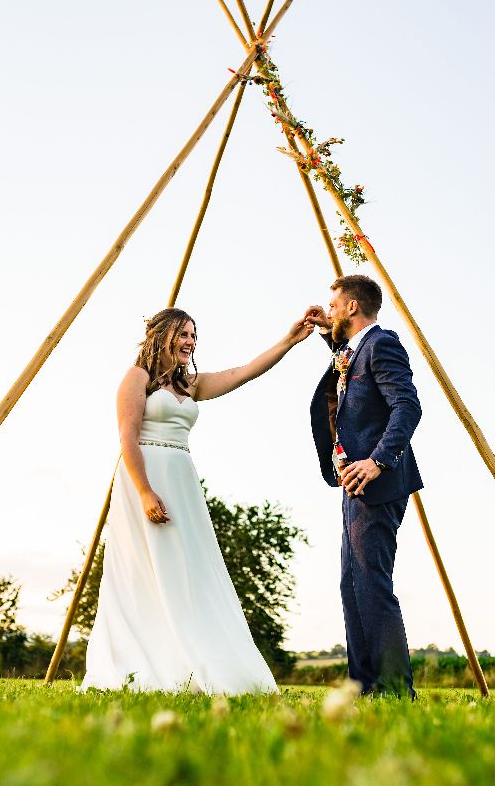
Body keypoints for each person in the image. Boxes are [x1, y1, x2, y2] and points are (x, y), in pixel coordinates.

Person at [81, 307, 315, 695]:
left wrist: (288, 341)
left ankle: (190, 657)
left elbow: (244, 372)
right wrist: (144, 491)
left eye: (193, 336)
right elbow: (127, 437)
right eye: (183, 334)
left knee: (187, 568)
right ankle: (142, 662)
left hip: (182, 480)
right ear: (161, 336)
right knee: (147, 568)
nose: (190, 342)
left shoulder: (190, 385)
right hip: (147, 477)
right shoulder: (136, 377)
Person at [305, 275, 423, 698]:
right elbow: (347, 364)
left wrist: (377, 462)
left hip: (378, 482)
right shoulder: (356, 349)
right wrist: (325, 331)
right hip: (352, 485)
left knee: (371, 581)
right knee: (351, 583)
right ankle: (363, 685)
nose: (329, 309)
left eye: (333, 304)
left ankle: (393, 690)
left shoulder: (383, 343)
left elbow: (407, 406)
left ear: (353, 307)